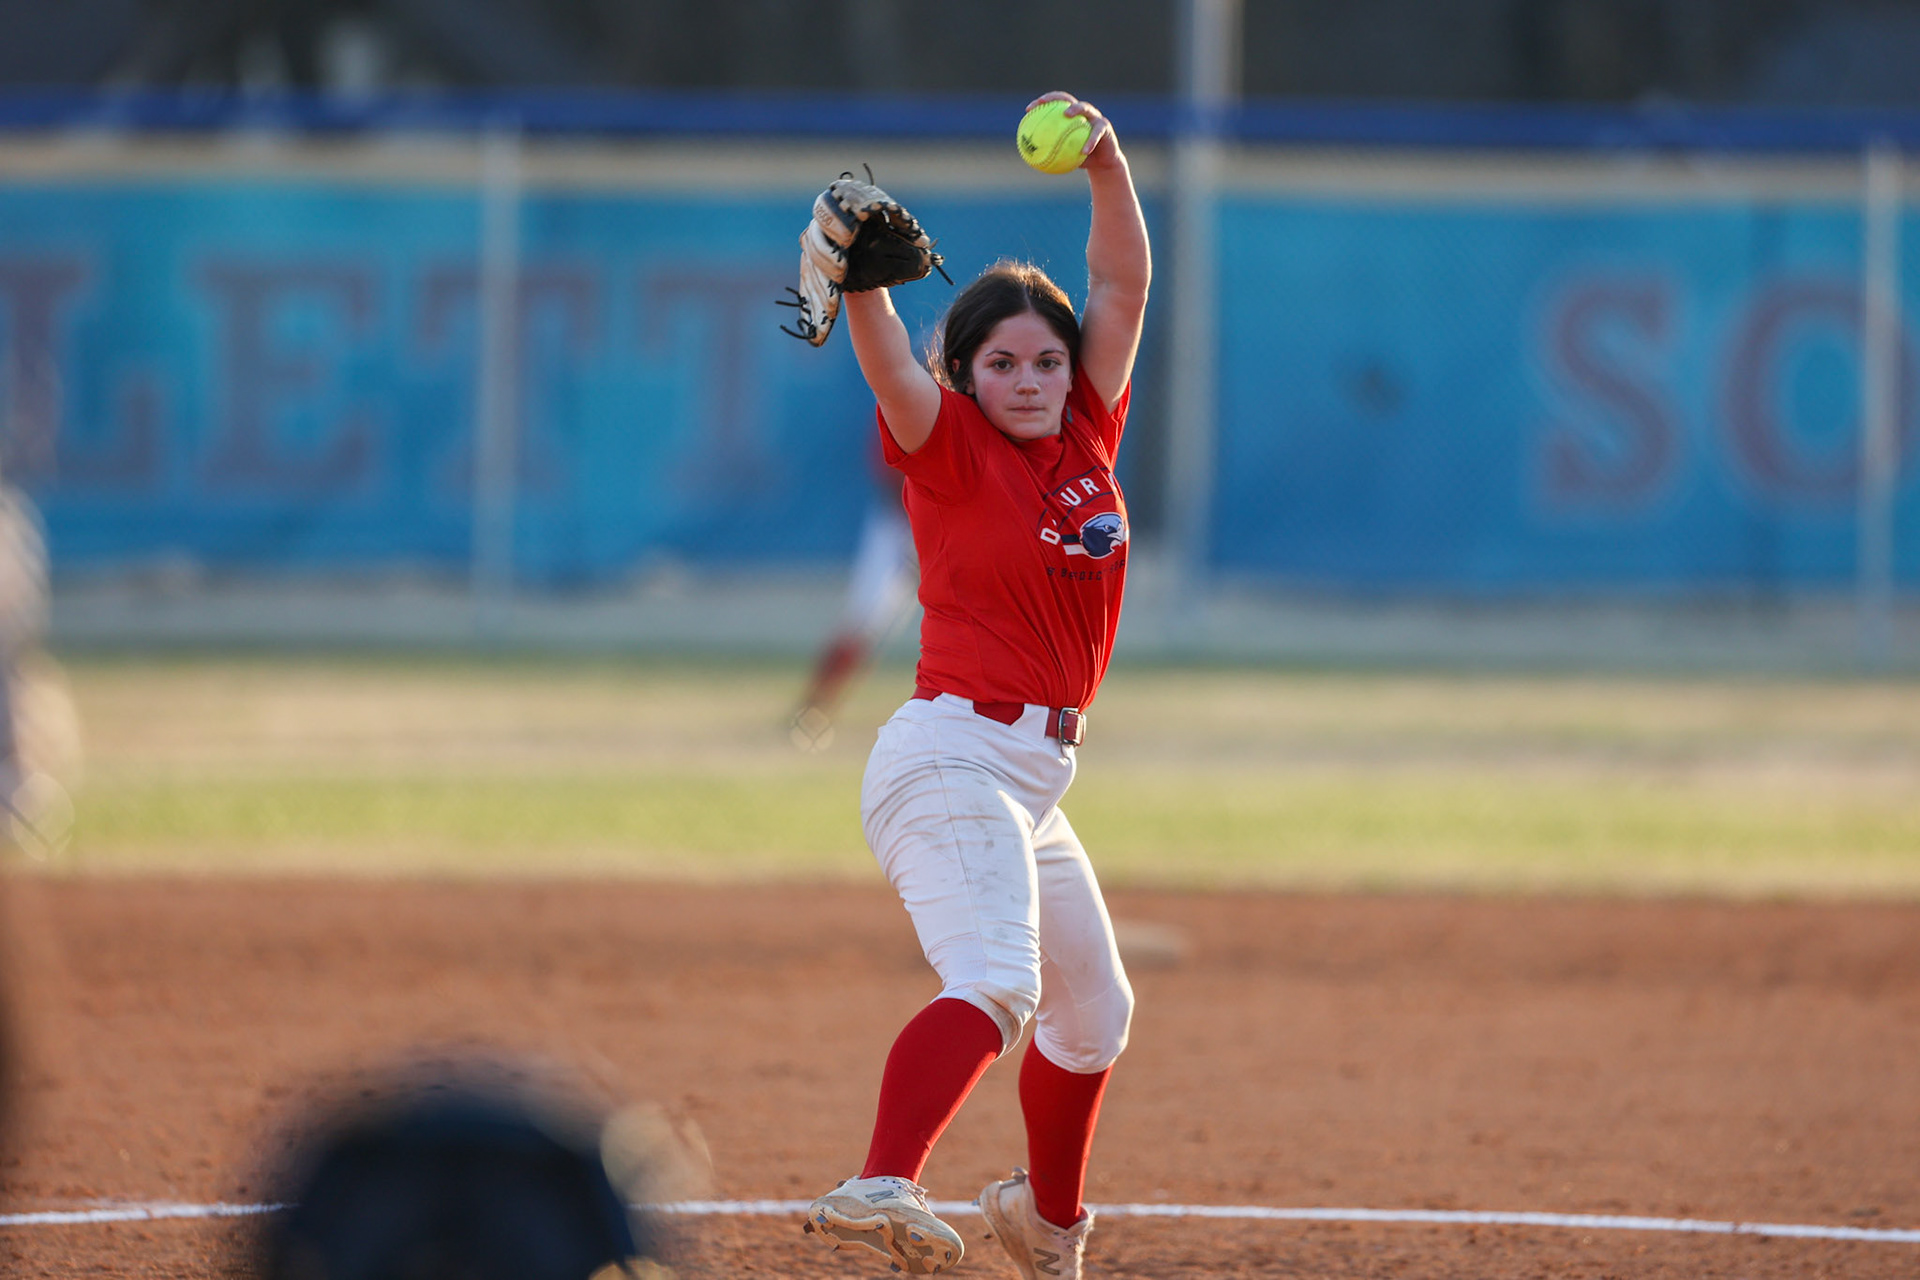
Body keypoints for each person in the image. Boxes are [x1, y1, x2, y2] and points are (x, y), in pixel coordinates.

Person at [800, 91, 1150, 1280]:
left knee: (1095, 1011)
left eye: (1046, 358)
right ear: (968, 373)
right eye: (1001, 361)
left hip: (1032, 779)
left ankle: (1045, 1222)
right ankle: (880, 1178)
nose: (1031, 375)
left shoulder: (1086, 433)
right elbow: (892, 359)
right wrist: (862, 284)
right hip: (950, 755)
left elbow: (1120, 288)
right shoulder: (945, 442)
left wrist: (1105, 158)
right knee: (999, 976)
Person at [788, 462, 917, 752]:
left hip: (959, 518)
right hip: (900, 521)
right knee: (864, 623)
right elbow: (890, 466)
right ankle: (812, 711)